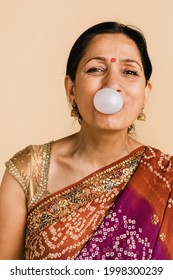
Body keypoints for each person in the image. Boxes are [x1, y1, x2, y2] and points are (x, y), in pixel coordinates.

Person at [0, 21, 173, 260]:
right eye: (95, 69)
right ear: (71, 88)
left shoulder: (167, 177)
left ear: (145, 93)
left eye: (130, 72)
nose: (112, 85)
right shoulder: (29, 171)